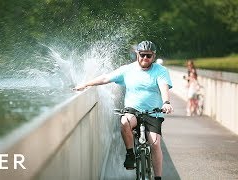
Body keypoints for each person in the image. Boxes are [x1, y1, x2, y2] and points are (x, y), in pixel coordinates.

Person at [73, 41, 173, 180]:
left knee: (155, 144)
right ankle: (130, 154)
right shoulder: (127, 69)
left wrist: (166, 102)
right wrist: (85, 84)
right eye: (142, 55)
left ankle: (157, 177)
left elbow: (163, 86)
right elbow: (105, 78)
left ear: (153, 56)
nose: (145, 58)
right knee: (124, 121)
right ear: (137, 54)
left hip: (153, 112)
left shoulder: (160, 71)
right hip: (133, 110)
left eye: (148, 56)